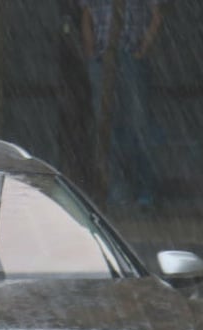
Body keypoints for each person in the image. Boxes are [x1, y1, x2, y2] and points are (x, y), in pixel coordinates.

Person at [79, 0, 167, 210]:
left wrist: (141, 51)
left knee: (138, 124)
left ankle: (144, 190)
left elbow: (156, 15)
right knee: (106, 125)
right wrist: (91, 55)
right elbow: (86, 16)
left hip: (130, 57)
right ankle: (117, 190)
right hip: (102, 59)